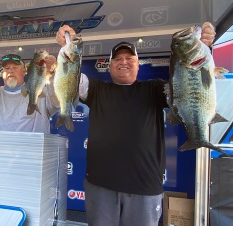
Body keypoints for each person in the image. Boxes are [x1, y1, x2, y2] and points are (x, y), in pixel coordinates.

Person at [55, 22, 216, 226]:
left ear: (138, 64)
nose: (123, 62)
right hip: (100, 187)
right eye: (118, 59)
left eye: (129, 58)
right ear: (110, 65)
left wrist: (202, 46)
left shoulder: (155, 89)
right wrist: (66, 46)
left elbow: (189, 85)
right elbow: (70, 78)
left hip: (145, 190)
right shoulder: (96, 89)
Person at [0, 53, 59, 133]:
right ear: (2, 74)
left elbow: (60, 97)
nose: (10, 70)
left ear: (24, 71)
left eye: (15, 67)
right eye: (7, 68)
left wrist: (53, 72)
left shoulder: (39, 93)